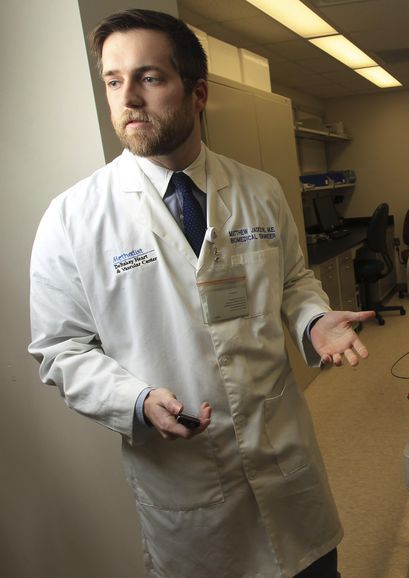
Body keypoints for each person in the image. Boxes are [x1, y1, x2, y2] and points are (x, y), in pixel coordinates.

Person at [28, 8, 374, 578]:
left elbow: (293, 281)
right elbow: (60, 348)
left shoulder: (260, 192)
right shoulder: (73, 218)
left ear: (198, 93)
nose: (128, 99)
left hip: (283, 460)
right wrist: (135, 401)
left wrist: (312, 321)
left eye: (149, 77)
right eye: (113, 81)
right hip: (186, 480)